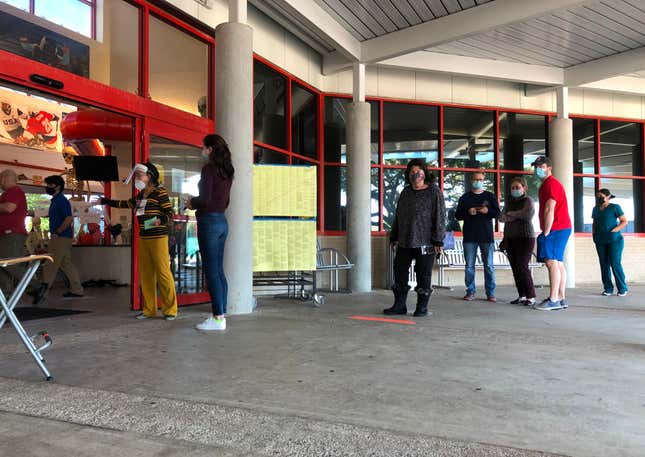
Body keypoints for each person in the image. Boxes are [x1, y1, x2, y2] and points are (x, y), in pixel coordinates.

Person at [101, 163, 177, 320]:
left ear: (149, 176)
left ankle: (170, 310)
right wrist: (107, 201)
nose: (137, 179)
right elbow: (127, 204)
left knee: (163, 273)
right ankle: (149, 309)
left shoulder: (160, 192)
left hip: (158, 238)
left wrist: (161, 219)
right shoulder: (142, 194)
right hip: (144, 237)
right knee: (146, 274)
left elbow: (170, 213)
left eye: (139, 176)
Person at [385, 159, 445, 317]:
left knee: (423, 274)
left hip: (426, 242)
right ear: (408, 175)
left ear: (425, 173)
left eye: (418, 171)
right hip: (405, 240)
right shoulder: (406, 192)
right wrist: (394, 236)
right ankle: (399, 306)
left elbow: (440, 216)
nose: (415, 174)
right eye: (412, 172)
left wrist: (438, 240)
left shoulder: (434, 192)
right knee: (399, 271)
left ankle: (422, 308)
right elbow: (398, 216)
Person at [187, 134, 234, 331]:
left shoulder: (209, 170)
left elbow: (205, 200)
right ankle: (221, 313)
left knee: (211, 272)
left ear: (211, 149)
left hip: (209, 222)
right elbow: (225, 201)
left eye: (204, 147)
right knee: (219, 271)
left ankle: (218, 318)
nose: (202, 151)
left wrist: (191, 202)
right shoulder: (227, 171)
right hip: (222, 221)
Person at [532, 156, 572, 311]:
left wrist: (546, 231)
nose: (538, 169)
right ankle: (561, 298)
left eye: (541, 166)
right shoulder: (547, 184)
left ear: (549, 167)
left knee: (551, 262)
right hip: (561, 227)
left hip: (556, 228)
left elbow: (550, 208)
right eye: (536, 166)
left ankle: (554, 299)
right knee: (558, 262)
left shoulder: (551, 184)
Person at [36, 175, 84, 301]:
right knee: (66, 264)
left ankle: (42, 292)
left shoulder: (61, 200)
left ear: (57, 186)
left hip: (60, 237)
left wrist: (58, 231)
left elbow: (69, 218)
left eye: (50, 185)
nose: (47, 187)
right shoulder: (55, 200)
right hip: (63, 237)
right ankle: (77, 289)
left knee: (50, 263)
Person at [455, 171, 500, 302]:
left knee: (489, 266)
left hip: (486, 236)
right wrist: (468, 212)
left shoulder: (490, 196)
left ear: (483, 181)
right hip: (469, 236)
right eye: (475, 179)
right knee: (469, 266)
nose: (478, 181)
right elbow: (457, 215)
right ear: (471, 180)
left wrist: (488, 211)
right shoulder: (465, 198)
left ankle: (490, 293)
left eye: (480, 179)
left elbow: (497, 214)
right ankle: (470, 291)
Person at [0, 169, 42, 298]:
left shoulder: (14, 191)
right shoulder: (9, 193)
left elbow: (9, 207)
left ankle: (37, 285)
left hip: (12, 234)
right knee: (3, 266)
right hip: (7, 234)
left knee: (8, 263)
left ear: (5, 178)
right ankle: (4, 298)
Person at [499, 177, 536, 306]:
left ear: (524, 188)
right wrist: (515, 214)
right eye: (513, 188)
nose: (515, 190)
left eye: (518, 187)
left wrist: (511, 214)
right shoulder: (509, 202)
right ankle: (522, 295)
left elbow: (528, 215)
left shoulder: (528, 200)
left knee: (522, 266)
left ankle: (531, 296)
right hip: (510, 239)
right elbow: (501, 218)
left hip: (526, 238)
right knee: (515, 268)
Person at [592, 188, 628, 297]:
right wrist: (594, 235)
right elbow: (594, 223)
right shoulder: (595, 209)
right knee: (604, 265)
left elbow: (624, 221)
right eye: (598, 196)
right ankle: (608, 288)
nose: (599, 198)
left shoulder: (615, 207)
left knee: (615, 263)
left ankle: (622, 288)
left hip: (614, 240)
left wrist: (614, 231)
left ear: (608, 197)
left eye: (601, 196)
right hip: (600, 240)